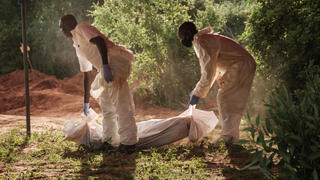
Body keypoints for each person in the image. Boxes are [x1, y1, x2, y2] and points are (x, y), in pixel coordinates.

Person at [59, 14, 138, 153]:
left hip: (113, 63)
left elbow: (100, 41)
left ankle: (129, 143)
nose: (61, 30)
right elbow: (86, 73)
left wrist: (106, 65)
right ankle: (109, 141)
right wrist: (86, 102)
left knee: (121, 105)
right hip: (104, 69)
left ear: (66, 25)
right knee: (107, 107)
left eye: (61, 27)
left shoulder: (82, 27)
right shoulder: (76, 44)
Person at [178, 22, 256, 145]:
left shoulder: (201, 41)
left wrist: (197, 94)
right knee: (228, 98)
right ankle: (230, 136)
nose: (182, 40)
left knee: (226, 98)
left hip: (242, 64)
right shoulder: (203, 39)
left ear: (187, 34)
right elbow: (213, 68)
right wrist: (198, 91)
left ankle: (228, 137)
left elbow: (208, 72)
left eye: (181, 36)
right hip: (241, 64)